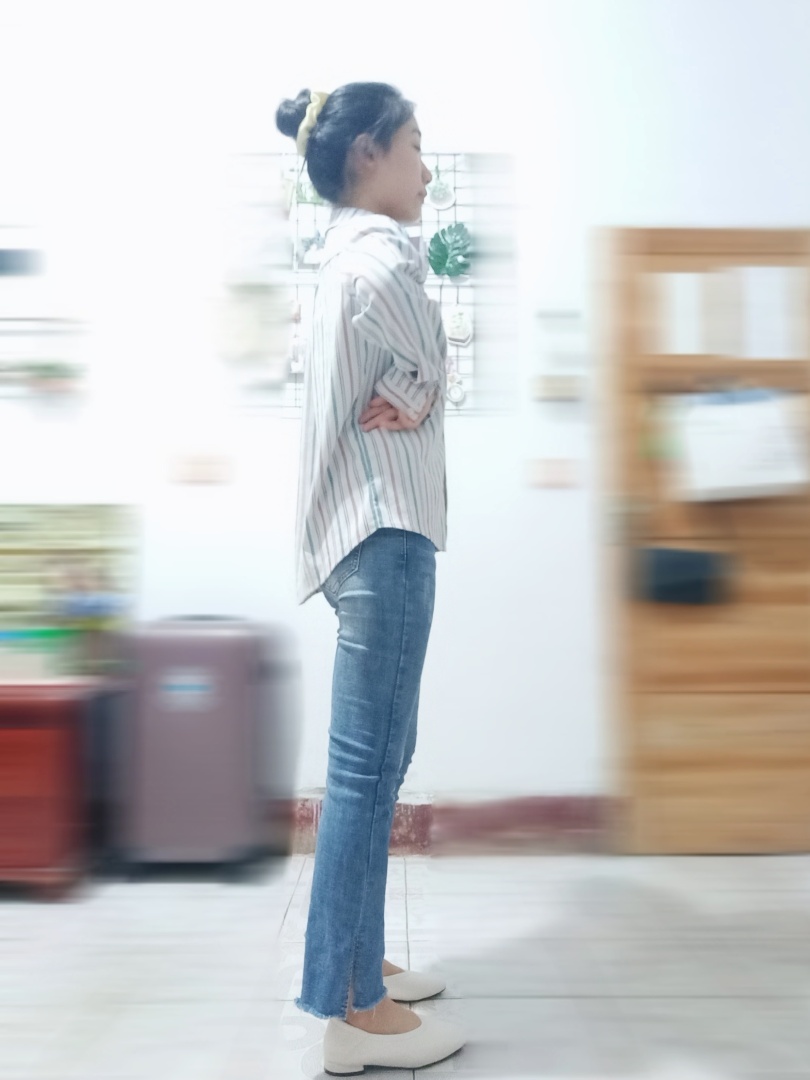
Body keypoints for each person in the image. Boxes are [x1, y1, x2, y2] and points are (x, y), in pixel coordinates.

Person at [275, 83, 466, 1074]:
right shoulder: (382, 256)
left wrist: (424, 381)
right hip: (386, 532)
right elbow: (434, 361)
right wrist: (429, 379)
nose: (426, 169)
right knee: (366, 771)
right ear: (367, 156)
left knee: (375, 766)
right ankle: (350, 1006)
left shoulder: (338, 262)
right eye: (415, 146)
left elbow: (424, 373)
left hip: (361, 537)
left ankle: (358, 964)